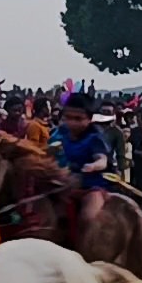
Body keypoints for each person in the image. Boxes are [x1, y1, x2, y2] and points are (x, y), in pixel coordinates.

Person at [51, 93, 113, 235]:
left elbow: (102, 160)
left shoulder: (95, 138)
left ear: (90, 119)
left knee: (88, 218)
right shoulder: (62, 132)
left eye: (78, 119)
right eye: (68, 118)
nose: (72, 122)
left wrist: (93, 166)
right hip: (68, 184)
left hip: (92, 187)